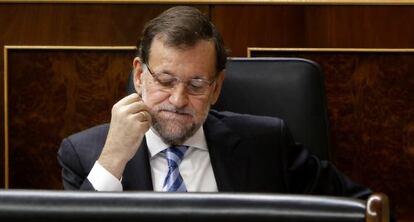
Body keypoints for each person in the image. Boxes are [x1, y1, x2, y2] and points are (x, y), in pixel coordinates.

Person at [57, 6, 370, 198]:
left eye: (196, 85)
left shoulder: (266, 144)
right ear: (139, 76)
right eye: (165, 81)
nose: (178, 100)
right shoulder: (83, 154)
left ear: (217, 87)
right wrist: (112, 160)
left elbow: (363, 208)